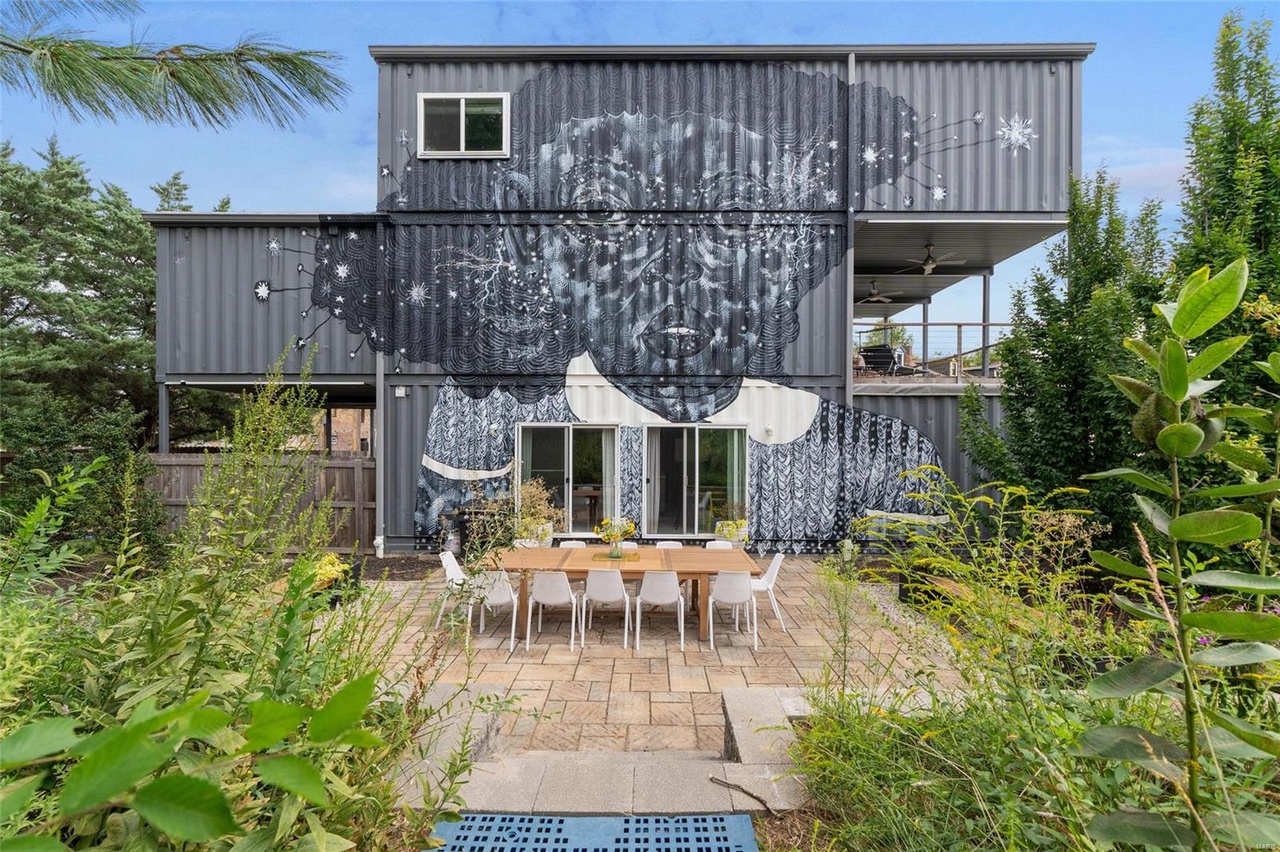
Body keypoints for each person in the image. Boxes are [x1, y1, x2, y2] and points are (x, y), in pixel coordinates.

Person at [306, 64, 944, 551]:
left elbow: (905, 572)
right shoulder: (488, 416)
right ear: (534, 240)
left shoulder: (871, 454)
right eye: (606, 214)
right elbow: (453, 540)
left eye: (732, 216)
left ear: (791, 250)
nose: (674, 268)